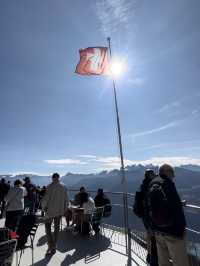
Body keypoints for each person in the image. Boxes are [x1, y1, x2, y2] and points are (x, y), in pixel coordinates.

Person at [148, 164, 189, 266]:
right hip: (173, 233)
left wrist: (152, 228)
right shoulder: (167, 183)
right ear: (168, 172)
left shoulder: (152, 183)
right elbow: (175, 208)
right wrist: (181, 230)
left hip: (158, 230)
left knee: (163, 262)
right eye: (173, 174)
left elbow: (149, 207)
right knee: (180, 262)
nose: (173, 176)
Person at [133, 169, 158, 266]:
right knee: (154, 238)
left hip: (144, 215)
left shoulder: (142, 185)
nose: (156, 176)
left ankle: (149, 256)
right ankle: (154, 260)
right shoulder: (151, 186)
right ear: (150, 175)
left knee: (149, 235)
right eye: (154, 174)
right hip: (150, 216)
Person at [42, 173, 69, 255]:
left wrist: (43, 207)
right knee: (57, 229)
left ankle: (51, 245)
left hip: (50, 211)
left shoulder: (50, 186)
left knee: (48, 228)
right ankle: (54, 245)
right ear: (59, 178)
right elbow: (66, 199)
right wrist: (64, 209)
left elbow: (45, 199)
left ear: (52, 178)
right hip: (59, 211)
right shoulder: (64, 186)